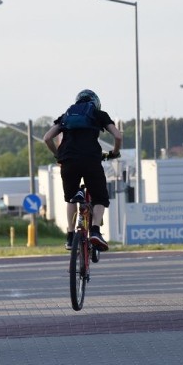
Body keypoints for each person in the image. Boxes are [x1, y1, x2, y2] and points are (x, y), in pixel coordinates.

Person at [43, 89, 122, 251]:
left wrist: (58, 155)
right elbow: (118, 136)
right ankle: (95, 231)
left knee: (71, 198)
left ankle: (71, 236)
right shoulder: (99, 114)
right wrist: (114, 153)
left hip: (68, 161)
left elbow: (47, 138)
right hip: (91, 160)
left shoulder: (67, 115)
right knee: (100, 198)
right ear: (96, 102)